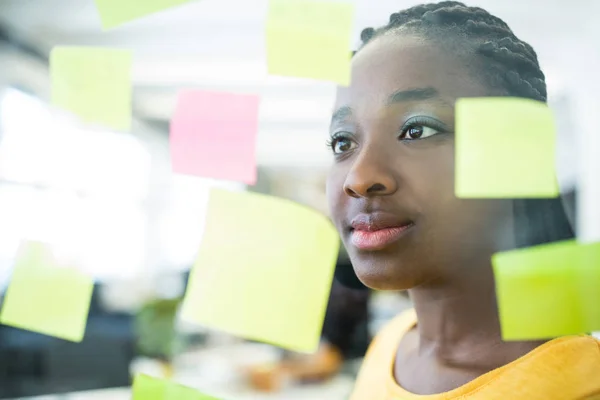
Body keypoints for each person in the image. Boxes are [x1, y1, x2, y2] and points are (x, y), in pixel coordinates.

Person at [325, 2, 600, 399]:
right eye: (343, 142)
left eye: (416, 130)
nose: (359, 178)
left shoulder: (577, 385)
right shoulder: (391, 345)